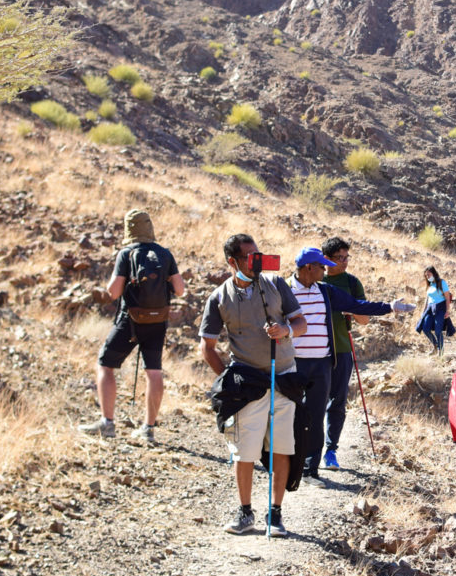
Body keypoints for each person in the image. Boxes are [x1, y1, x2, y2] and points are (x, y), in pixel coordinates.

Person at [200, 234, 306, 537]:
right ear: (232, 262)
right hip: (248, 385)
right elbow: (207, 346)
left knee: (282, 449)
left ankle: (276, 514)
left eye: (258, 254)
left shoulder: (275, 284)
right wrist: (230, 381)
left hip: (284, 377)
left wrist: (285, 330)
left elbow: (301, 323)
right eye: (250, 256)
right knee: (243, 452)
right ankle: (245, 513)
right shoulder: (219, 298)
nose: (256, 261)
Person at [288, 247, 412, 485]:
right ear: (308, 268)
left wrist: (389, 307)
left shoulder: (325, 291)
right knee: (290, 414)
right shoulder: (283, 290)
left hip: (322, 364)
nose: (326, 270)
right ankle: (286, 463)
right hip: (292, 364)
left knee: (314, 416)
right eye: (322, 266)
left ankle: (309, 470)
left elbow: (357, 305)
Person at [81, 209, 186, 445]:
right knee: (154, 371)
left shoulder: (127, 253)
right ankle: (148, 428)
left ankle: (107, 423)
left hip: (130, 321)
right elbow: (180, 290)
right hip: (158, 321)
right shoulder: (165, 254)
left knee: (105, 364)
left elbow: (113, 292)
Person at [318, 237, 364, 471]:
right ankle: (309, 451)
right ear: (325, 259)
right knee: (312, 401)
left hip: (343, 349)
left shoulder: (352, 282)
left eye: (347, 258)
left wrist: (352, 310)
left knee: (337, 401)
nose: (345, 262)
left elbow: (364, 319)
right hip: (314, 350)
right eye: (340, 258)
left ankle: (331, 451)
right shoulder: (314, 279)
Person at [417, 266, 454, 354]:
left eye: (429, 274)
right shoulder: (429, 285)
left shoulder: (442, 283)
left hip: (440, 308)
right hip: (430, 308)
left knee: (438, 330)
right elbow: (427, 298)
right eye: (426, 275)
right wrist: (423, 311)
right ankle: (435, 346)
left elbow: (447, 297)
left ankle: (441, 351)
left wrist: (447, 311)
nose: (427, 277)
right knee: (425, 328)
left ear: (434, 273)